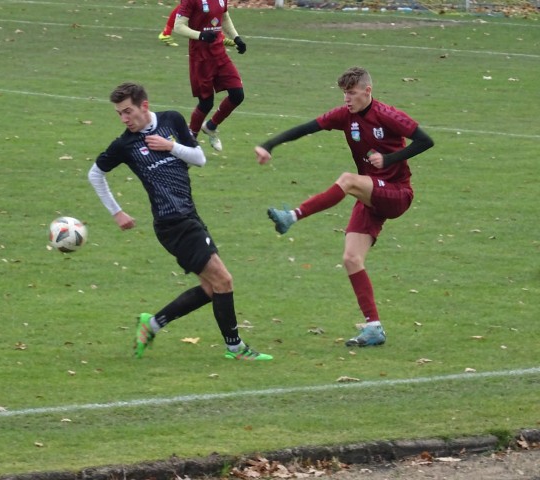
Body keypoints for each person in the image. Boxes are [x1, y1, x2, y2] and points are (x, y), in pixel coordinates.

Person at [88, 82, 272, 361]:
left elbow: (200, 159)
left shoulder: (171, 120)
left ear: (144, 106)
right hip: (171, 223)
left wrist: (170, 146)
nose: (125, 119)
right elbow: (95, 174)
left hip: (189, 216)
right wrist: (117, 212)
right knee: (224, 280)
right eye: (119, 114)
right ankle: (235, 348)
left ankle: (152, 324)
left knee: (212, 288)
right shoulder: (125, 144)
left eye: (128, 112)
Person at [255, 67, 434, 347]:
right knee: (351, 259)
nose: (346, 99)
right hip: (371, 195)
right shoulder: (345, 116)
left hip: (398, 193)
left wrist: (390, 160)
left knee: (348, 181)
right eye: (344, 94)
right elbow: (307, 128)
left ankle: (292, 216)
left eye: (351, 93)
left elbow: (426, 141)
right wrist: (269, 144)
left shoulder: (387, 115)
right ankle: (373, 327)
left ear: (367, 91)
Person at [172, 0, 247, 152]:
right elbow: (178, 26)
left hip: (220, 54)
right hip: (201, 58)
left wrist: (236, 37)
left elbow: (224, 16)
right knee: (206, 103)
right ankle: (190, 140)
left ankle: (211, 126)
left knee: (237, 94)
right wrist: (200, 35)